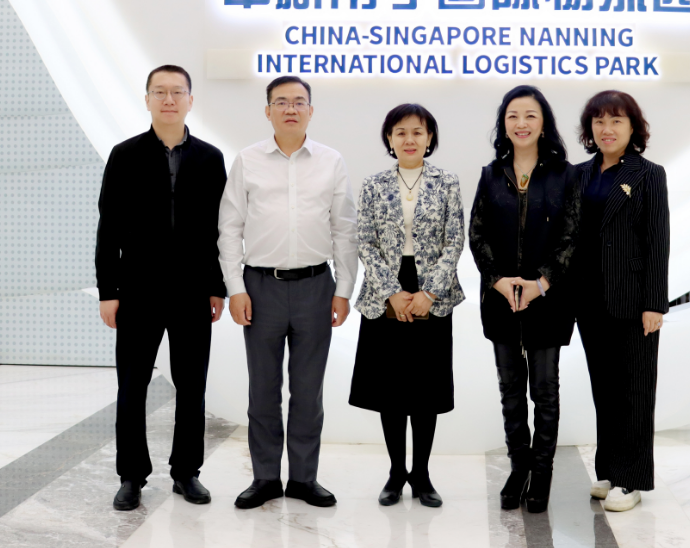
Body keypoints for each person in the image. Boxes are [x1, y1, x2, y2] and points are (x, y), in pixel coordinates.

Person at [218, 75, 359, 509]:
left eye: (299, 102)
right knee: (263, 389)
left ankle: (303, 478)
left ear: (311, 111)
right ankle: (264, 478)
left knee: (307, 391)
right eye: (281, 102)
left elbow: (344, 229)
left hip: (317, 286)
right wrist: (235, 288)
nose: (291, 109)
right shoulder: (247, 160)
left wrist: (343, 290)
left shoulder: (331, 161)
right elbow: (229, 228)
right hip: (260, 287)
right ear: (268, 111)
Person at [95, 64, 229, 512]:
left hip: (192, 291)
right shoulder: (125, 154)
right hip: (138, 291)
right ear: (147, 99)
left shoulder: (210, 158)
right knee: (132, 387)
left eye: (177, 92)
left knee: (192, 386)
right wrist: (108, 290)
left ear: (190, 100)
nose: (168, 100)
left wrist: (217, 286)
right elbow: (108, 228)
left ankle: (186, 471)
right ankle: (131, 475)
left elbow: (218, 230)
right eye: (160, 92)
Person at [349, 104, 465, 508]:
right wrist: (390, 291)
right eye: (400, 132)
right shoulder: (373, 184)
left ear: (429, 138)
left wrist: (428, 293)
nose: (409, 139)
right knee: (391, 389)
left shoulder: (447, 182)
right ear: (389, 139)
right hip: (386, 293)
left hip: (433, 292)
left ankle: (423, 475)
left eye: (418, 132)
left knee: (425, 389)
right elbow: (365, 241)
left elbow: (455, 240)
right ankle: (396, 473)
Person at [468, 85, 575, 512]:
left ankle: (542, 472)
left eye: (530, 115)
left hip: (547, 299)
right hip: (500, 299)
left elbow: (571, 238)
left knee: (544, 390)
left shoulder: (565, 175)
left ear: (543, 123)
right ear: (504, 125)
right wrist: (497, 280)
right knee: (510, 389)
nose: (521, 123)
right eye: (513, 115)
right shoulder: (491, 174)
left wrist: (540, 283)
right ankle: (519, 467)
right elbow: (477, 234)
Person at [571, 90, 669, 513]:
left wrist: (655, 304)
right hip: (589, 300)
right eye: (599, 121)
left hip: (633, 300)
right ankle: (610, 471)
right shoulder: (579, 174)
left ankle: (632, 480)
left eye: (616, 121)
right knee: (605, 390)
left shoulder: (648, 174)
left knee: (635, 390)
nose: (606, 129)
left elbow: (658, 242)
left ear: (632, 127)